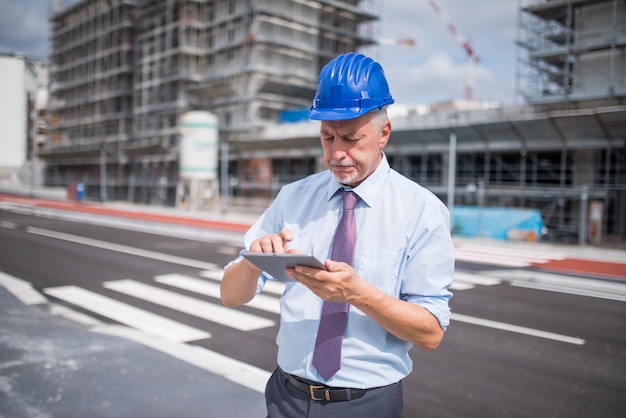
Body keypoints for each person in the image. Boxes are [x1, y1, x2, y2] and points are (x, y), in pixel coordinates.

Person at [220, 52, 454, 418]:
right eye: (327, 137)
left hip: (367, 405)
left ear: (384, 135)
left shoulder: (421, 212)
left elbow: (431, 332)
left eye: (350, 138)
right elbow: (230, 296)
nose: (337, 153)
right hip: (286, 398)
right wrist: (252, 261)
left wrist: (357, 294)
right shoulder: (293, 197)